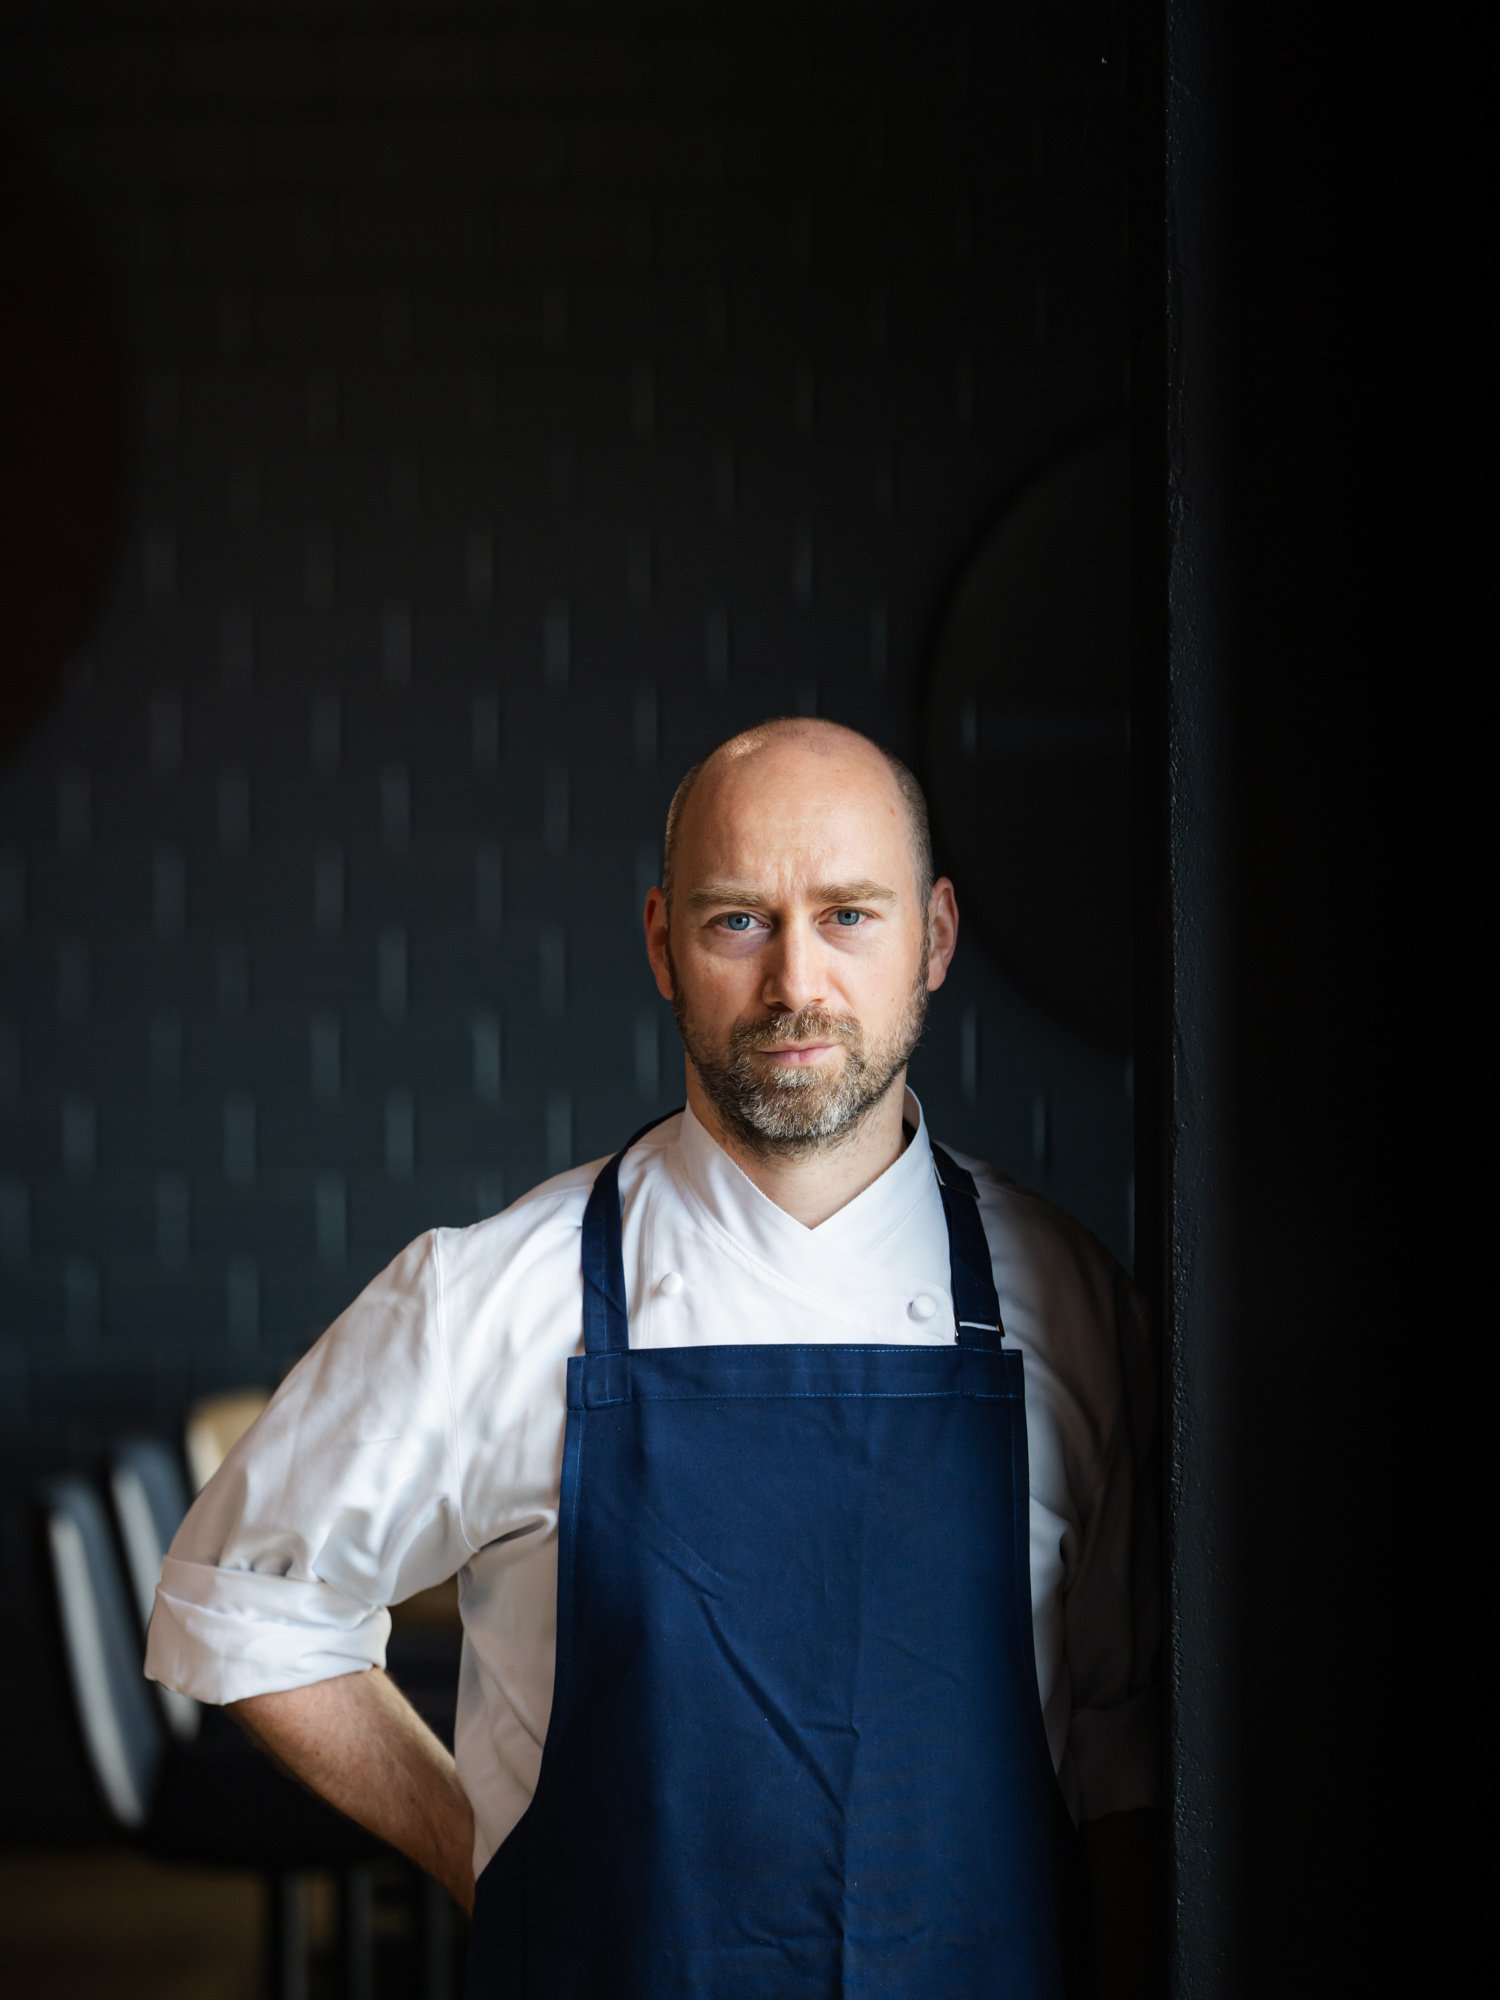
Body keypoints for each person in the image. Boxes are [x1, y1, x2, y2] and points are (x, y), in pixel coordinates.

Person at [146, 717, 1159, 1998]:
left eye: (849, 914)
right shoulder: (489, 1293)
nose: (798, 981)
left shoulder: (1071, 1304)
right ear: (661, 942)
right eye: (739, 919)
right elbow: (237, 1609)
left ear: (937, 936)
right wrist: (487, 1857)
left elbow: (1127, 1738)